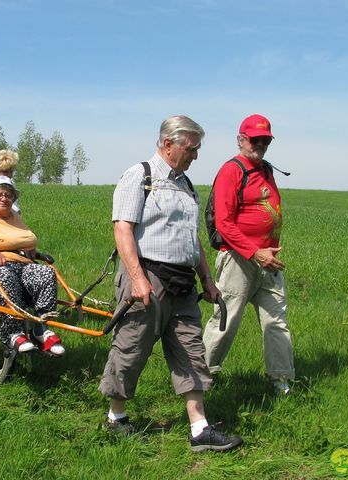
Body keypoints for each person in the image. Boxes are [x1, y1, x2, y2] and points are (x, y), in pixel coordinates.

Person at [98, 115, 242, 452]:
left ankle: (199, 429)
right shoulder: (140, 177)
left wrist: (207, 279)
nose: (196, 155)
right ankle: (115, 417)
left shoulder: (186, 185)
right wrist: (137, 279)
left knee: (192, 351)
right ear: (168, 144)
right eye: (191, 148)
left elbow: (192, 238)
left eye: (197, 149)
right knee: (131, 349)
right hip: (147, 278)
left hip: (183, 283)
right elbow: (122, 229)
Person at [203, 114, 294, 395]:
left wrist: (266, 254)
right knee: (226, 319)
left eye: (265, 140)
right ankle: (201, 375)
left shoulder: (266, 169)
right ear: (241, 139)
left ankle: (281, 380)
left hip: (268, 262)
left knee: (276, 321)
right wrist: (256, 253)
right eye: (255, 139)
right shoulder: (231, 170)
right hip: (239, 260)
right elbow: (224, 223)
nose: (261, 144)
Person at [0, 176, 65, 355]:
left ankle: (41, 328)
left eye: (8, 195)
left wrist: (29, 248)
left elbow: (24, 238)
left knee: (46, 272)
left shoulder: (14, 217)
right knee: (4, 275)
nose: (4, 199)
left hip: (18, 264)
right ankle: (12, 332)